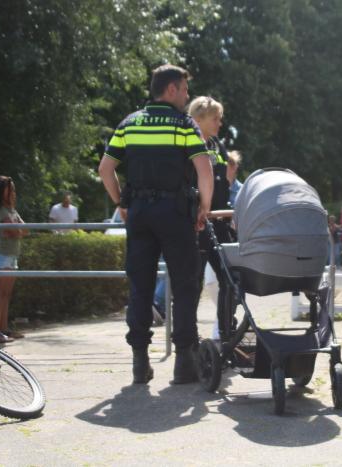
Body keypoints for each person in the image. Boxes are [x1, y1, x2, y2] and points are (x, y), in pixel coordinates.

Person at [98, 64, 213, 385]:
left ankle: (140, 363)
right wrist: (203, 208)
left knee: (140, 288)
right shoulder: (183, 124)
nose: (188, 95)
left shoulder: (129, 124)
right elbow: (204, 171)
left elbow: (105, 169)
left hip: (140, 214)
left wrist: (122, 202)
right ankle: (184, 363)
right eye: (185, 89)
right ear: (172, 89)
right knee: (185, 285)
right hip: (175, 213)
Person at [187, 96, 236, 339]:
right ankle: (189, 341)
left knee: (230, 279)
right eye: (215, 118)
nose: (220, 122)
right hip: (197, 226)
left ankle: (226, 336)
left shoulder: (217, 145)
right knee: (192, 284)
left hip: (219, 224)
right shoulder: (186, 145)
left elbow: (224, 182)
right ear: (198, 120)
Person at [0, 176, 28, 344]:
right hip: (1, 255)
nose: (12, 192)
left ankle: (4, 329)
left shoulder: (11, 210)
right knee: (1, 294)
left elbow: (24, 230)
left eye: (13, 189)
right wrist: (16, 229)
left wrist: (16, 228)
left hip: (12, 256)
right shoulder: (0, 211)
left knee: (7, 294)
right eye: (9, 189)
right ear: (1, 191)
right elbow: (13, 231)